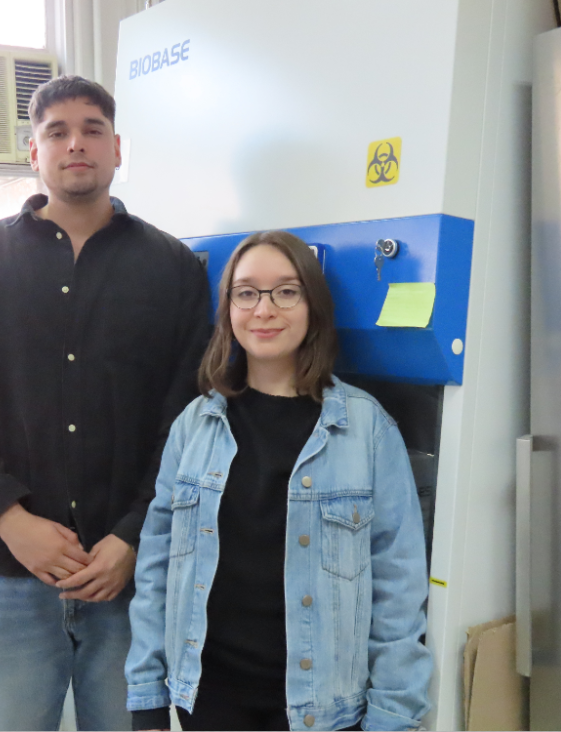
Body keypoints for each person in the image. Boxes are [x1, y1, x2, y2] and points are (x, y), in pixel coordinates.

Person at [0, 75, 212, 731]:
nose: (75, 143)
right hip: (6, 576)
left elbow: (188, 420)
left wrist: (134, 535)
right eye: (57, 131)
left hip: (130, 580)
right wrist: (11, 519)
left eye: (92, 129)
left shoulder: (174, 269)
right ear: (34, 152)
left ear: (116, 150)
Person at [125, 231, 432, 731]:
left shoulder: (366, 428)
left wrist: (393, 712)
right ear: (228, 309)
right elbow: (156, 570)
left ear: (313, 306)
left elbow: (399, 587)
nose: (264, 309)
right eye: (246, 292)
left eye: (286, 292)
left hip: (323, 706)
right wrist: (145, 692)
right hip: (209, 698)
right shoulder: (194, 426)